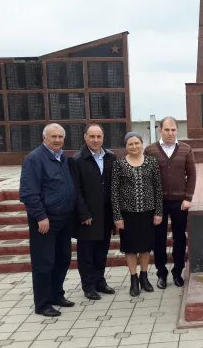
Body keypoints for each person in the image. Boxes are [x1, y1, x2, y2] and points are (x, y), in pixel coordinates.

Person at [19, 123, 76, 317]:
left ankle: (56, 294)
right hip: (45, 220)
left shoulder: (63, 158)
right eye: (54, 136)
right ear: (44, 138)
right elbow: (28, 193)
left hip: (63, 218)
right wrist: (41, 216)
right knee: (44, 262)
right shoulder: (34, 159)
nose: (57, 140)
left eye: (60, 137)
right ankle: (42, 303)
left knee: (63, 258)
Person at [144, 116, 196, 289]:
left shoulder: (186, 149)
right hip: (158, 204)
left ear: (177, 131)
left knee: (179, 238)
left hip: (179, 203)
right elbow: (146, 178)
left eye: (173, 130)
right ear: (160, 131)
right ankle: (161, 274)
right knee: (158, 240)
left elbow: (192, 175)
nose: (170, 133)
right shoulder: (150, 150)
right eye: (167, 130)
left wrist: (188, 198)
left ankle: (177, 272)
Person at [68, 124, 117, 300]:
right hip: (87, 216)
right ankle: (88, 286)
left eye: (99, 136)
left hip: (105, 214)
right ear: (85, 137)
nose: (96, 140)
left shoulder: (111, 157)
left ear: (103, 138)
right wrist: (83, 214)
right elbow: (76, 190)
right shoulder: (76, 160)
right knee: (86, 253)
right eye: (92, 136)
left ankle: (100, 281)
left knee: (101, 251)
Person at [111, 132, 163, 297]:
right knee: (130, 248)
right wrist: (117, 216)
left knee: (146, 247)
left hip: (148, 213)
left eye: (137, 143)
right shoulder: (119, 164)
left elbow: (158, 188)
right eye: (130, 144)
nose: (134, 147)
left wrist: (159, 212)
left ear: (142, 144)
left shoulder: (152, 162)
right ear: (126, 146)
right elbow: (114, 192)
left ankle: (144, 277)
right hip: (128, 214)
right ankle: (134, 279)